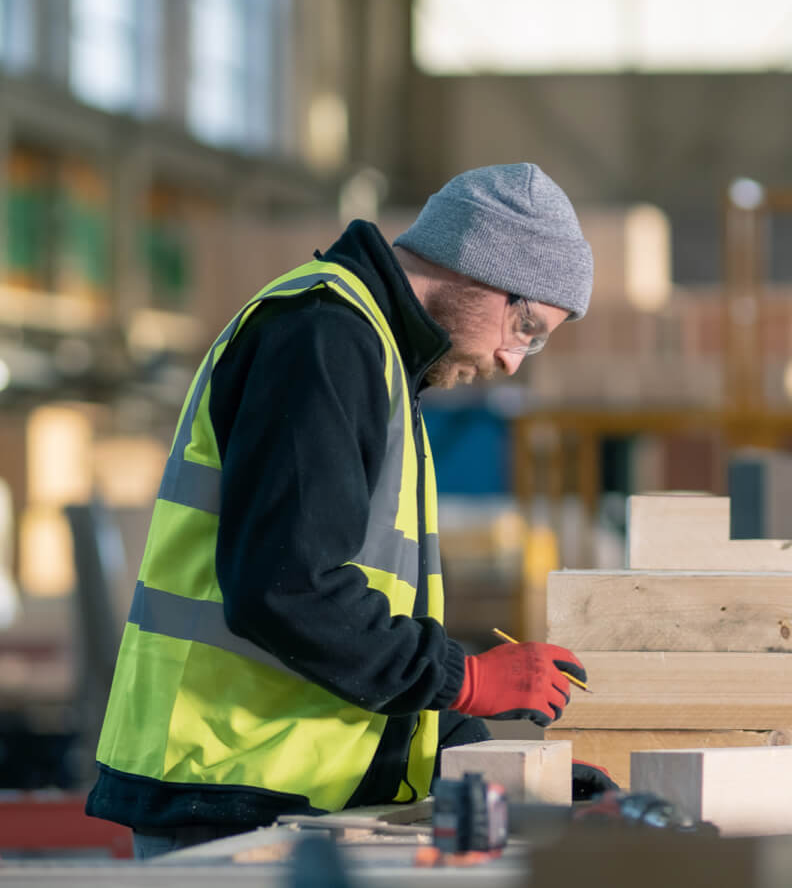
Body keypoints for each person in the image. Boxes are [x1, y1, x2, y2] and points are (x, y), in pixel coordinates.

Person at [87, 163, 604, 858]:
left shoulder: (378, 357)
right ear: (480, 268)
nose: (514, 361)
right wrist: (468, 678)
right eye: (526, 327)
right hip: (232, 792)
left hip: (283, 792)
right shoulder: (324, 339)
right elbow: (287, 590)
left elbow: (368, 632)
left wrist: (507, 775)